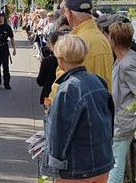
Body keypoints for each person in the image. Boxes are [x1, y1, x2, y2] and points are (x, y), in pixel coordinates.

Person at [42, 34, 114, 182]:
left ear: (61, 60)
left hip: (77, 167)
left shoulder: (67, 89)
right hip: (102, 161)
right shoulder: (98, 81)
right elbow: (109, 119)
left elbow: (60, 132)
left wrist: (55, 165)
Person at [107, 22, 136, 183]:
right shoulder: (125, 58)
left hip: (124, 121)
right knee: (115, 161)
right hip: (120, 119)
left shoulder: (127, 63)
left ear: (114, 40)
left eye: (109, 36)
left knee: (116, 163)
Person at [60, 0, 113, 91]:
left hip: (80, 104)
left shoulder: (74, 43)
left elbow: (63, 83)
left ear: (69, 13)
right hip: (103, 103)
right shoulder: (102, 39)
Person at [36, 31, 67, 108]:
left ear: (51, 45)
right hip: (65, 97)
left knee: (48, 115)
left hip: (48, 95)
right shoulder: (70, 61)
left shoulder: (47, 61)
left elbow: (40, 81)